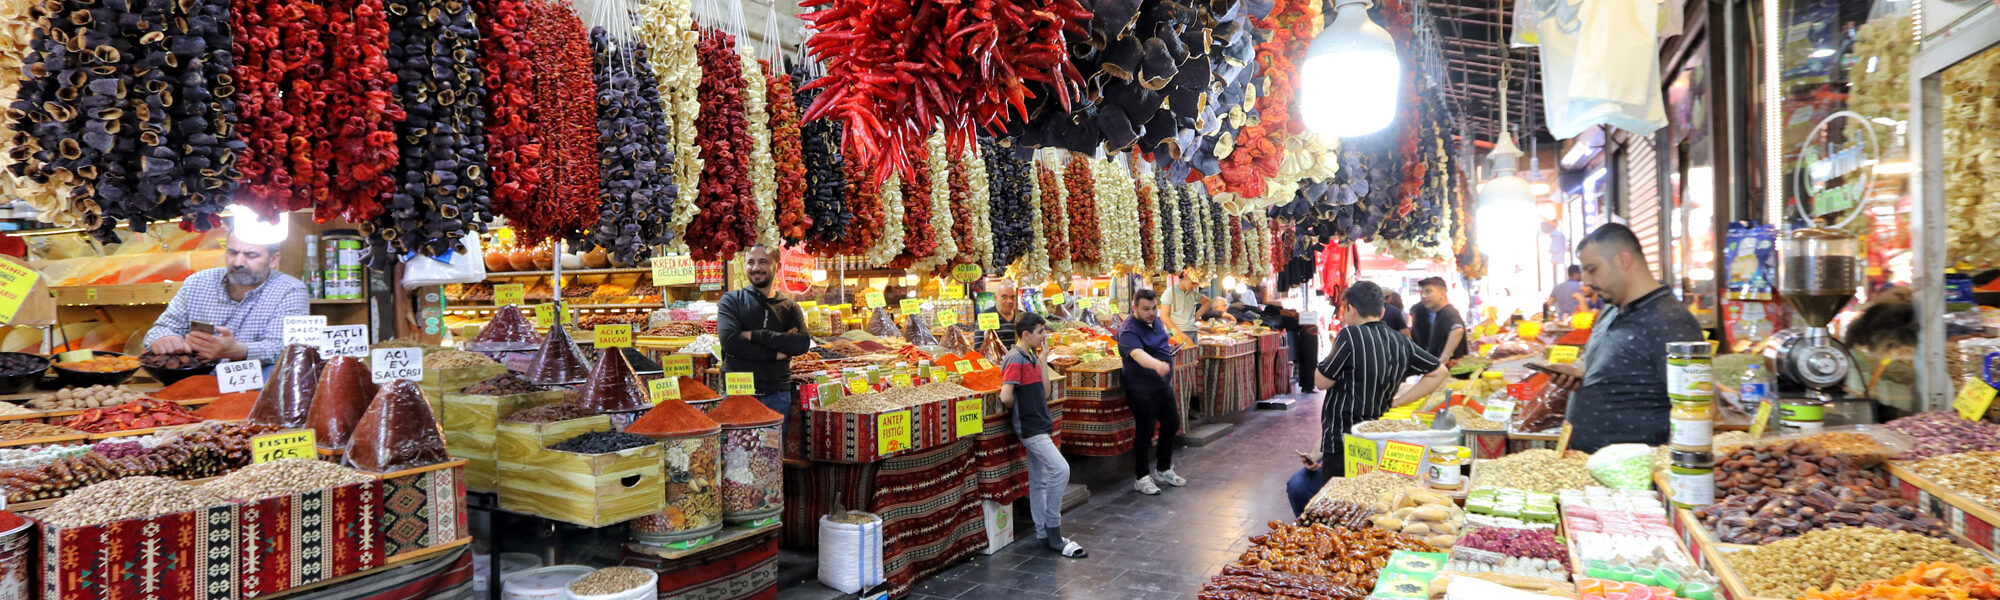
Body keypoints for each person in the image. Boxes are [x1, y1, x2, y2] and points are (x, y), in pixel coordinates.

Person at [1285, 281, 1450, 515]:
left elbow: (1321, 382)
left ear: (1350, 309)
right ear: (1381, 312)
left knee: (1340, 510)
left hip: (1343, 445)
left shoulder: (1350, 335)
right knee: (1365, 505)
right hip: (1378, 439)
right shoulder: (1400, 341)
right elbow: (1439, 372)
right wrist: (1396, 402)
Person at [1543, 224, 1704, 453]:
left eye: (1592, 269)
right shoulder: (1610, 309)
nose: (1586, 282)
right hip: (1590, 470)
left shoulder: (1672, 322)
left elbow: (1697, 407)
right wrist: (1580, 371)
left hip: (1635, 477)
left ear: (1624, 261)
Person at [144, 231, 309, 364]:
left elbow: (287, 348)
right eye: (232, 252)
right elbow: (159, 329)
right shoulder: (197, 283)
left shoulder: (289, 290)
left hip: (256, 390)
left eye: (251, 255)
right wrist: (164, 338)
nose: (238, 262)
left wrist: (238, 350)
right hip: (195, 383)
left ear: (273, 260)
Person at [1000, 311, 1088, 558]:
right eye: (1040, 332)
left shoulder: (1029, 356)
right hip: (1031, 427)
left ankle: (1042, 533)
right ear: (1026, 334)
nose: (1044, 336)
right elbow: (1006, 396)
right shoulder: (1015, 359)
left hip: (1038, 424)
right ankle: (1053, 529)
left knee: (1038, 482)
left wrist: (1044, 358)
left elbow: (1046, 391)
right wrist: (1020, 408)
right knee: (1061, 470)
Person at [717, 245, 812, 417]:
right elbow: (731, 342)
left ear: (778, 266)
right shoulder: (731, 301)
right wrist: (775, 353)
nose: (755, 268)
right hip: (739, 391)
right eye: (750, 262)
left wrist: (755, 335)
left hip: (776, 393)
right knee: (739, 444)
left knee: (772, 444)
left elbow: (802, 343)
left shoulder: (789, 306)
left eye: (763, 261)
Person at [1118, 289, 1185, 495]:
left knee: (1172, 422)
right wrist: (1157, 365)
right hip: (1141, 388)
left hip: (1161, 386)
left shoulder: (1156, 322)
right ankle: (1141, 477)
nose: (1151, 312)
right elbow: (1137, 355)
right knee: (1145, 432)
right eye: (1146, 309)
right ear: (1135, 308)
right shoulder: (1128, 330)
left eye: (1154, 308)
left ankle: (1164, 468)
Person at [1410, 277, 1468, 361]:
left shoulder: (1448, 312)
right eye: (1422, 292)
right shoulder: (1440, 313)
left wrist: (1444, 358)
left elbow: (1457, 330)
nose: (1423, 296)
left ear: (1442, 294)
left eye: (1428, 291)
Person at [1161, 270, 1210, 343]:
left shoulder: (1193, 293)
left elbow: (1208, 302)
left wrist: (1196, 316)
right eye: (1193, 283)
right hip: (1176, 333)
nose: (1194, 287)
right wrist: (1178, 333)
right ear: (1185, 278)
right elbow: (1164, 317)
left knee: (1193, 354)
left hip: (1192, 331)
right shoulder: (1169, 293)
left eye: (1196, 284)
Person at [977, 280, 1021, 348]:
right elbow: (978, 347)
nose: (1009, 301)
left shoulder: (1023, 317)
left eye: (1013, 297)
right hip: (993, 358)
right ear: (996, 298)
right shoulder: (985, 316)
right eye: (1004, 296)